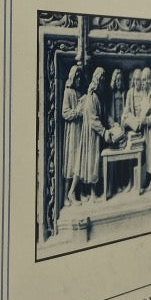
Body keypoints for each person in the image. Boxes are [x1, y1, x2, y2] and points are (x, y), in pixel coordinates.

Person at [79, 67, 107, 202]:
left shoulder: (98, 96)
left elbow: (103, 115)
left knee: (94, 162)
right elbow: (94, 120)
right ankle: (92, 193)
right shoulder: (92, 97)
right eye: (101, 80)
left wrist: (111, 124)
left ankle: (92, 192)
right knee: (92, 162)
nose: (103, 83)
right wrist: (104, 132)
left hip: (95, 134)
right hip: (91, 135)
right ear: (97, 80)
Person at [62, 64, 84, 206]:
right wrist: (77, 112)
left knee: (79, 161)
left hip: (80, 130)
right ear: (73, 77)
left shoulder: (79, 92)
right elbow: (65, 113)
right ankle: (66, 195)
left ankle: (77, 192)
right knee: (70, 162)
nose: (79, 80)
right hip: (72, 131)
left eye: (80, 77)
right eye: (77, 77)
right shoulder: (68, 92)